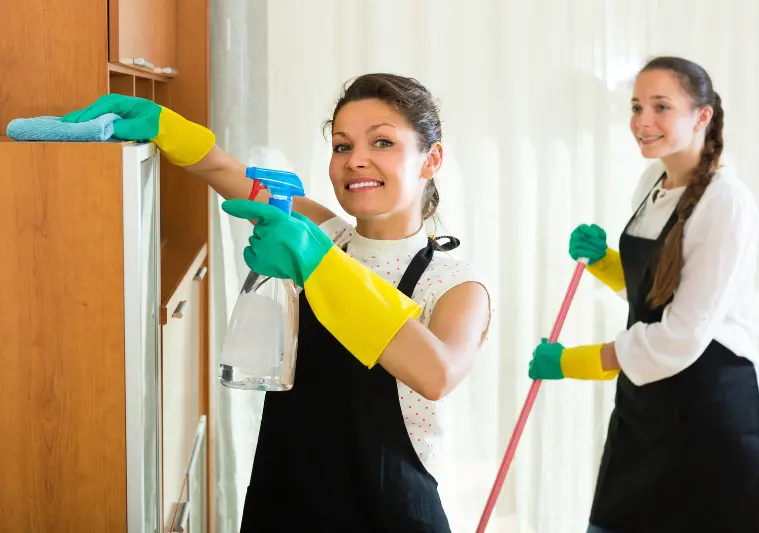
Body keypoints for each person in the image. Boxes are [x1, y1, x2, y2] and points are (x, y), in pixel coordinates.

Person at [62, 73, 491, 532]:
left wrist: (317, 265)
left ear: (432, 159)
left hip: (388, 516)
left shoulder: (453, 285)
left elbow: (437, 373)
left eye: (382, 142)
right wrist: (166, 126)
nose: (356, 161)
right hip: (286, 503)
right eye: (342, 146)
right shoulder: (323, 233)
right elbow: (224, 172)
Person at [527, 56, 759, 533]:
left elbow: (680, 336)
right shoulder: (653, 183)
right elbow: (657, 290)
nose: (643, 121)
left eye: (661, 106)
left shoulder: (725, 201)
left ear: (702, 116)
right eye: (635, 106)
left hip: (708, 404)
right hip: (650, 400)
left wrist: (572, 363)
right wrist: (607, 261)